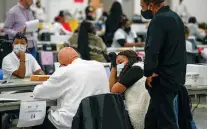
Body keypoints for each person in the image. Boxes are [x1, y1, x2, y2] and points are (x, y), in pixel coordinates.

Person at [33, 47, 109, 129]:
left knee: (36, 120)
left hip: (71, 123)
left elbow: (38, 93)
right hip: (97, 121)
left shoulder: (64, 71)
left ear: (62, 64)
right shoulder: (99, 66)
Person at [140, 0, 187, 128]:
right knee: (152, 120)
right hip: (176, 74)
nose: (142, 11)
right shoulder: (176, 18)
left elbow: (152, 49)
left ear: (151, 5)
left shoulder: (158, 20)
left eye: (142, 7)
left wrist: (149, 72)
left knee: (166, 122)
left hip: (162, 78)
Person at [109, 50, 150, 129]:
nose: (119, 66)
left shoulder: (136, 69)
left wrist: (114, 68)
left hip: (140, 112)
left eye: (120, 62)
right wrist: (115, 68)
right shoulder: (140, 67)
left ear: (130, 58)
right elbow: (113, 88)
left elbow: (113, 90)